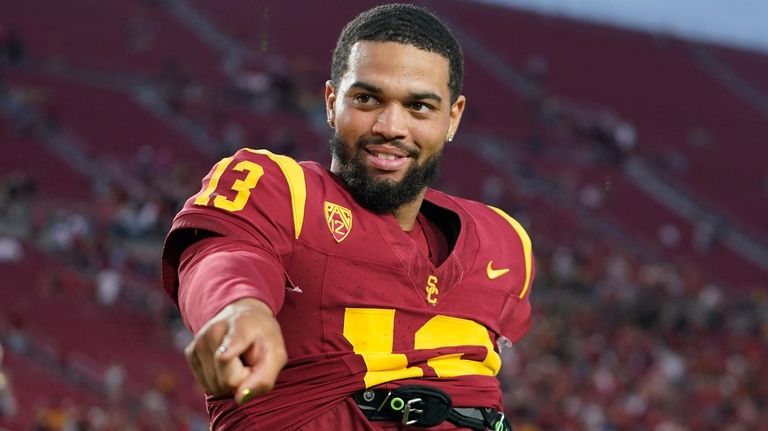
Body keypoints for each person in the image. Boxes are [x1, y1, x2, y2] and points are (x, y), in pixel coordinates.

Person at [161, 4, 534, 430]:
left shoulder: (505, 242)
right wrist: (238, 309)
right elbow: (223, 254)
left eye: (420, 107)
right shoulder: (285, 191)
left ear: (453, 117)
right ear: (332, 101)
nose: (391, 126)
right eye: (367, 99)